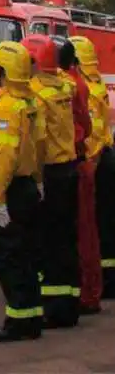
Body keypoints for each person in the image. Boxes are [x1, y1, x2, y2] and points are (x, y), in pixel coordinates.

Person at [0, 40, 44, 343]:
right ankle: (31, 317)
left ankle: (18, 321)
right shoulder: (30, 101)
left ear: (5, 71)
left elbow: (6, 156)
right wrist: (39, 179)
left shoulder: (7, 106)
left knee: (9, 257)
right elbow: (39, 144)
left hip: (11, 188)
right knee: (28, 254)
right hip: (29, 185)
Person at [22, 34, 80, 329]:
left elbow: (38, 140)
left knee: (46, 242)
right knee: (65, 240)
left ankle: (54, 309)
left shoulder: (34, 94)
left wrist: (35, 178)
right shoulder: (64, 86)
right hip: (68, 167)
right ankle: (69, 303)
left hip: (49, 172)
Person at [52, 37, 97, 315]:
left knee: (75, 232)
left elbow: (84, 126)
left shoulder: (67, 86)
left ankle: (83, 294)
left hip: (69, 165)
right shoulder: (74, 83)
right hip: (76, 162)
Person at [70, 35, 115, 300]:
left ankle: (103, 282)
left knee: (97, 223)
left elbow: (93, 133)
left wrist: (89, 162)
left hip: (97, 162)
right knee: (105, 223)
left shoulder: (85, 89)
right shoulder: (95, 85)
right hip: (104, 159)